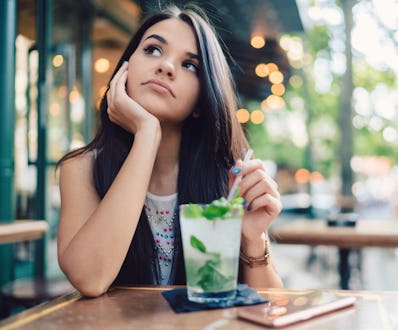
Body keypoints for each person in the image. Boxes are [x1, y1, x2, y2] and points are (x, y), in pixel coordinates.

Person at [56, 4, 283, 297]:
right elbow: (89, 278)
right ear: (125, 68)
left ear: (202, 101)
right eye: (152, 50)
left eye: (190, 65)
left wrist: (253, 239)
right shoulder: (82, 168)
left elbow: (271, 308)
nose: (166, 67)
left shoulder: (229, 180)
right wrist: (147, 134)